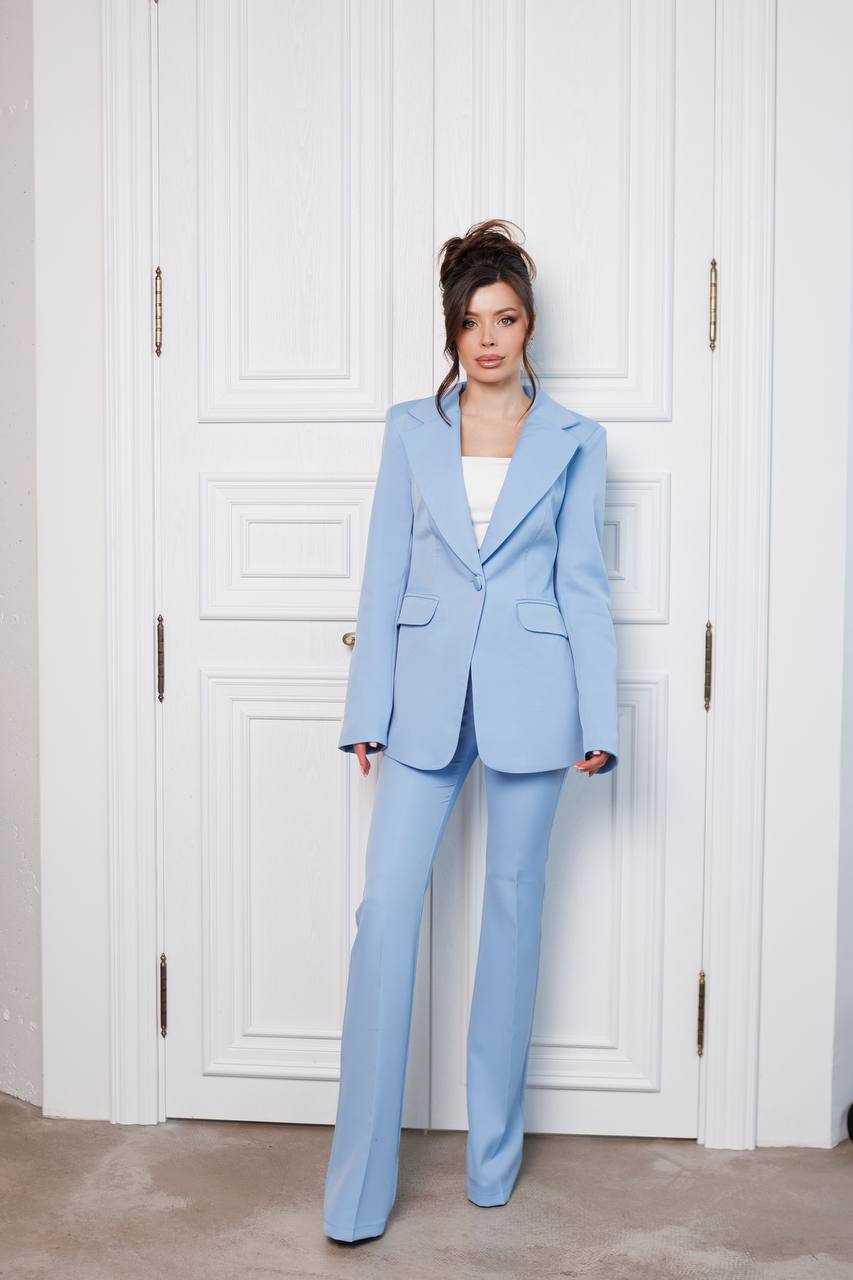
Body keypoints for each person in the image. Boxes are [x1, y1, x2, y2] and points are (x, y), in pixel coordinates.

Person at [323, 219, 619, 1243]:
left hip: (537, 697)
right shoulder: (409, 429)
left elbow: (583, 586)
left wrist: (598, 714)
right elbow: (384, 574)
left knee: (511, 916)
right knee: (384, 914)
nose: (486, 339)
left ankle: (491, 1163)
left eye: (503, 320)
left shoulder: (576, 439)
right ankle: (357, 1188)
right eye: (469, 322)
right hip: (421, 699)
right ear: (450, 332)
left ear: (528, 326)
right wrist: (366, 712)